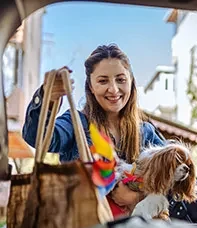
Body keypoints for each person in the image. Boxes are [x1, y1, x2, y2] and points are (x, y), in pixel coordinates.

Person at [22, 44, 165, 213]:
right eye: (103, 81)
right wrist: (46, 95)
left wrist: (137, 198)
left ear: (131, 82)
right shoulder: (76, 124)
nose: (113, 89)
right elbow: (36, 136)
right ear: (90, 86)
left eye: (120, 79)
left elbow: (177, 174)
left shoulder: (146, 132)